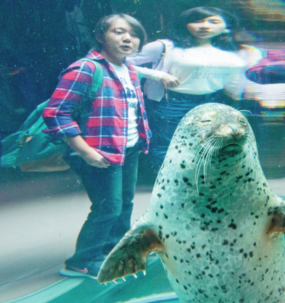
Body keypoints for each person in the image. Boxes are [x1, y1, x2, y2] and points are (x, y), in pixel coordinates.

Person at [43, 14, 151, 279]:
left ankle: (113, 249)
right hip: (98, 151)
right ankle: (83, 260)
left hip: (127, 147)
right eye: (119, 32)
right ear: (101, 36)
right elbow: (56, 112)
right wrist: (84, 151)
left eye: (134, 34)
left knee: (124, 203)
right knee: (108, 207)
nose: (128, 39)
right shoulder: (86, 68)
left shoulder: (131, 70)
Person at [136, 7, 245, 172]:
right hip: (173, 101)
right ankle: (172, 185)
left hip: (215, 101)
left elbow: (234, 82)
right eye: (197, 21)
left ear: (225, 27)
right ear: (185, 24)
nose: (205, 26)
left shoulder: (230, 52)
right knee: (167, 145)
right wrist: (158, 75)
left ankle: (199, 187)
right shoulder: (166, 47)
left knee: (209, 146)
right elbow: (121, 62)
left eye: (213, 21)